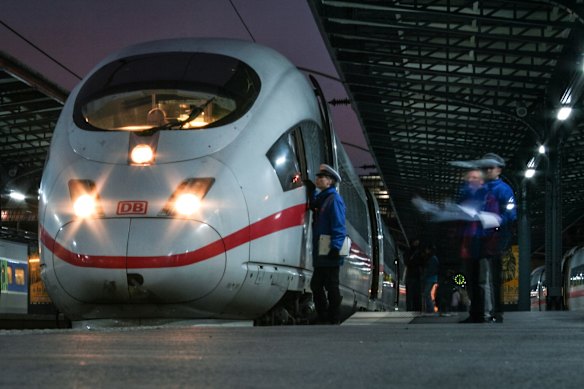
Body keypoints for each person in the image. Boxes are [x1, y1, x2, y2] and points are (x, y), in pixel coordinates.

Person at [481, 153, 517, 323]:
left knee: (492, 276)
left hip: (496, 236)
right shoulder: (480, 189)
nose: (488, 170)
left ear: (498, 170)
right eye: (486, 167)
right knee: (485, 276)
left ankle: (495, 311)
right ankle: (488, 310)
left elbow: (511, 214)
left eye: (491, 167)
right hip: (482, 237)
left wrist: (495, 221)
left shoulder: (504, 190)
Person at [309, 163, 347, 324]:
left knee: (331, 285)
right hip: (322, 251)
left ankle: (333, 317)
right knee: (317, 285)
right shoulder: (323, 198)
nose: (318, 179)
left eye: (321, 177)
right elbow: (314, 204)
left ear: (330, 181)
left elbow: (339, 225)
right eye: (318, 177)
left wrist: (336, 247)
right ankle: (324, 315)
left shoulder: (334, 200)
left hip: (330, 250)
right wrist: (311, 192)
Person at [457, 169, 489, 323]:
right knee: (471, 281)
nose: (471, 180)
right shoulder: (466, 198)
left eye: (475, 178)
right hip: (469, 246)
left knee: (479, 282)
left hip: (481, 245)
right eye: (469, 178)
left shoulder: (486, 198)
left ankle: (479, 314)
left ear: (481, 181)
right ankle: (475, 313)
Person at [405, 239, 423, 311]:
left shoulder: (409, 252)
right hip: (415, 276)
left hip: (412, 275)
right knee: (416, 294)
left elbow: (407, 262)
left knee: (411, 294)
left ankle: (411, 308)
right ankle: (416, 308)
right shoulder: (418, 252)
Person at [421, 244, 439, 314]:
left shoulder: (432, 259)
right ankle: (430, 308)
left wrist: (425, 276)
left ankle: (430, 309)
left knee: (426, 294)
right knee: (427, 294)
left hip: (430, 278)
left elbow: (430, 270)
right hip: (432, 278)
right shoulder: (434, 258)